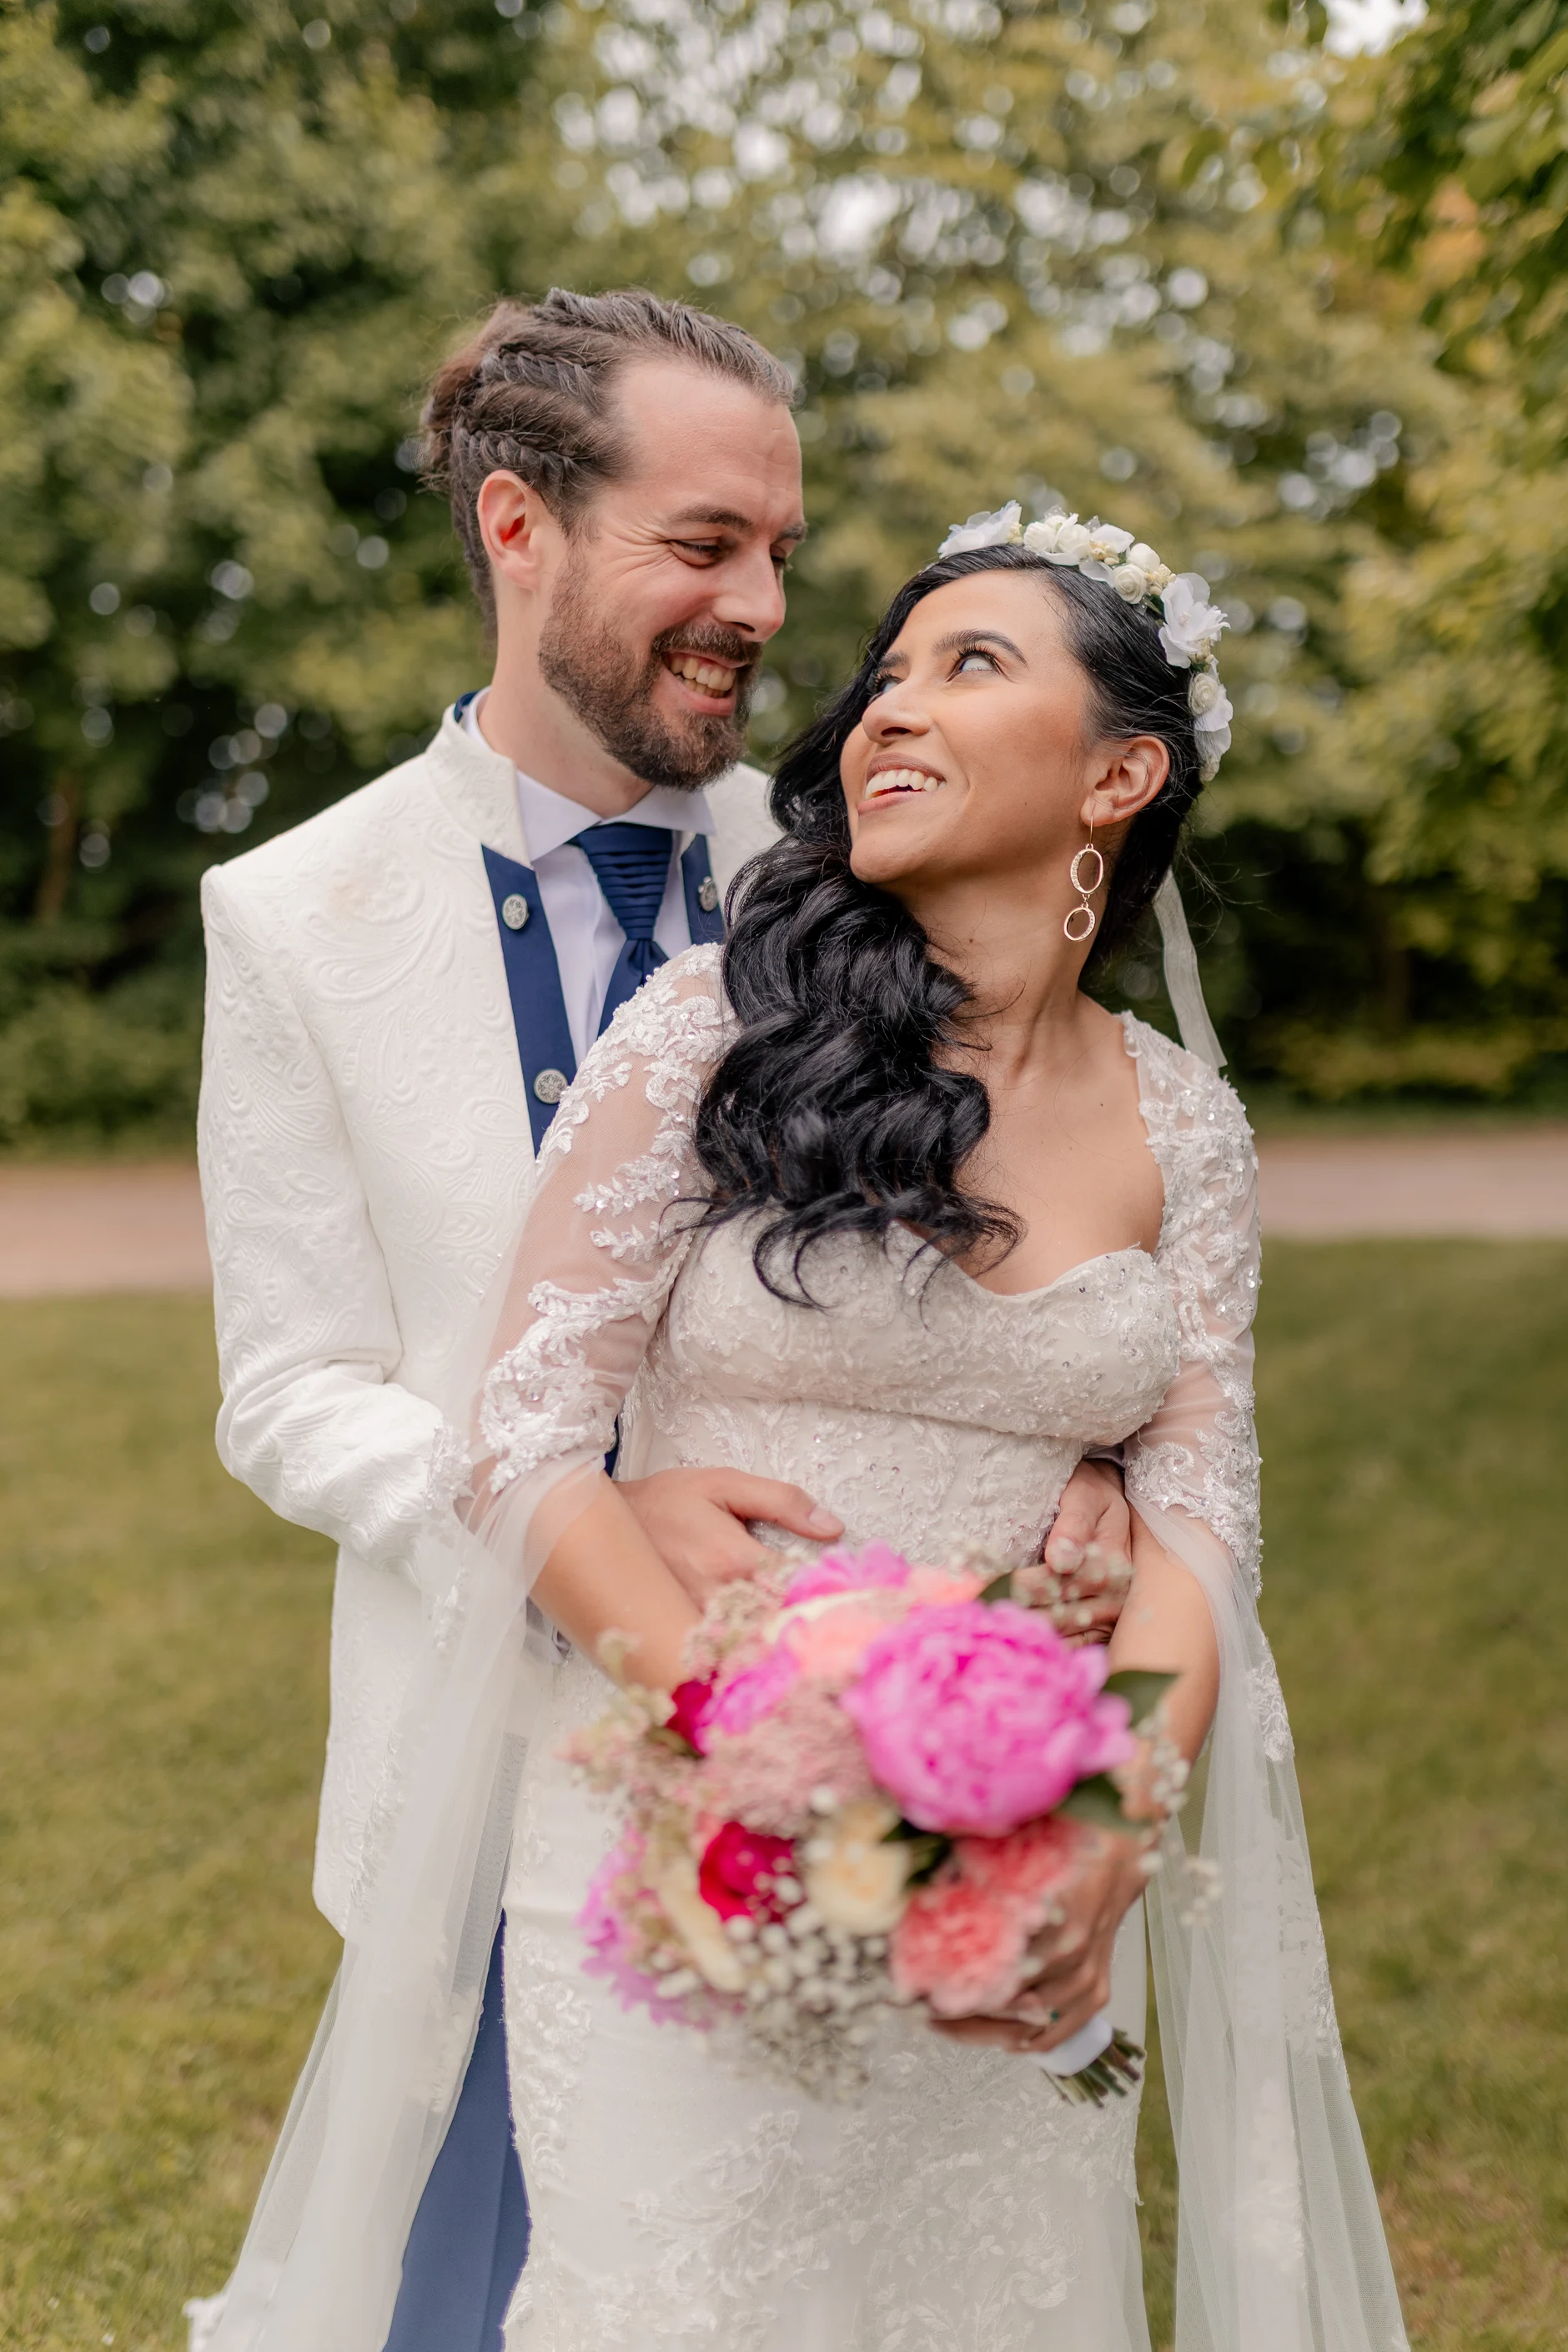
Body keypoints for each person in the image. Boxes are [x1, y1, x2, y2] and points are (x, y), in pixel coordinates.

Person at [204, 509, 1409, 2349]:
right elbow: (527, 1434)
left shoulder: (1188, 1134)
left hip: (1011, 1855)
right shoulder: (711, 1031)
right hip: (692, 1838)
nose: (883, 713)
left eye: (972, 665)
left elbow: (1202, 1516)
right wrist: (780, 1769)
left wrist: (1093, 1835)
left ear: (1124, 773)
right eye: (888, 673)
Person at [191, 292, 1129, 2352]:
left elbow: (1022, 1231)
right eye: (706, 545)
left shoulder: (845, 874)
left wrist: (1086, 1465)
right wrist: (571, 1512)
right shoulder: (293, 916)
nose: (764, 606)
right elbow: (284, 1391)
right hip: (479, 1756)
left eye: (781, 552)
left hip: (851, 1742)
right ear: (518, 527)